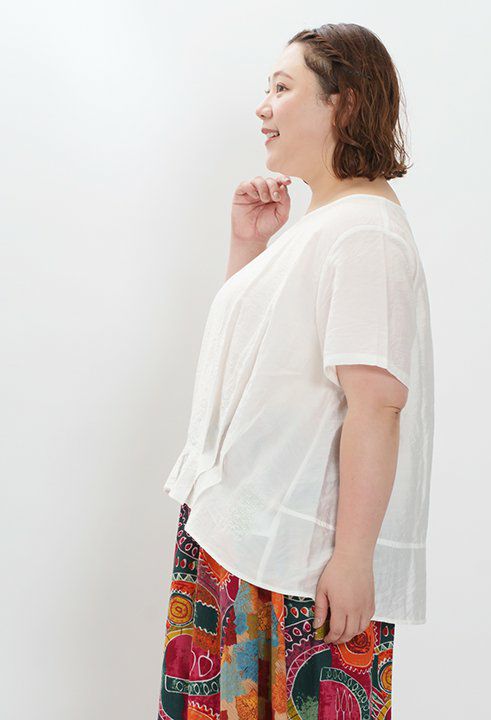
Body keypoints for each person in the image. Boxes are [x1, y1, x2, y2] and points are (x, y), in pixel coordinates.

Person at [157, 22, 434, 720]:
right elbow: (251, 365)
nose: (263, 107)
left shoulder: (364, 231)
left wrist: (354, 558)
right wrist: (248, 244)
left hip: (300, 567)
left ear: (344, 103)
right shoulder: (323, 224)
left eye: (282, 88)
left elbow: (377, 404)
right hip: (247, 542)